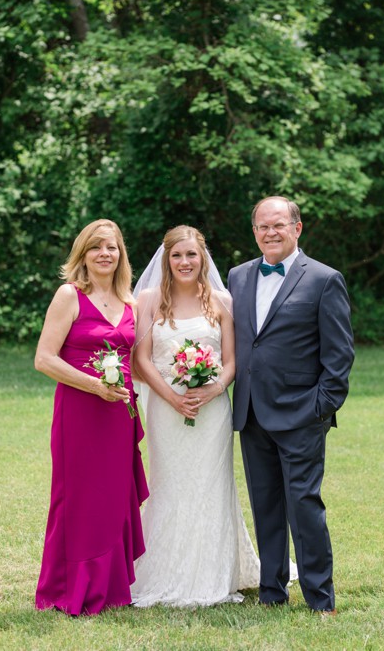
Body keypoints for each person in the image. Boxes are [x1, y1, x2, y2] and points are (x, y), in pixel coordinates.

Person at [227, 196, 354, 615]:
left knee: (304, 506)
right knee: (266, 506)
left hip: (302, 413)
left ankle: (321, 598)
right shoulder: (239, 276)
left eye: (278, 225)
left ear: (297, 228)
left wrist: (320, 407)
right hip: (250, 412)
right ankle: (272, 591)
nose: (270, 233)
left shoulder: (323, 279)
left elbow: (339, 356)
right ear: (254, 232)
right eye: (262, 226)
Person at [129, 225, 260, 607]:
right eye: (177, 255)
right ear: (166, 260)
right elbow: (141, 357)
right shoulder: (151, 299)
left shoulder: (221, 301)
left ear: (203, 258)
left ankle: (213, 575)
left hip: (212, 411)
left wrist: (213, 388)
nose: (184, 262)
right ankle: (163, 573)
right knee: (170, 484)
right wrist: (171, 396)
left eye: (191, 255)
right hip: (166, 410)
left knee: (210, 486)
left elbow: (233, 361)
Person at [33, 219, 149, 615]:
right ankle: (66, 588)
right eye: (96, 247)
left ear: (121, 255)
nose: (105, 253)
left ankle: (113, 587)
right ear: (82, 253)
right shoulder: (69, 295)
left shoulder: (130, 302)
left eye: (112, 247)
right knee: (78, 499)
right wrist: (94, 385)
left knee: (114, 498)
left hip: (119, 415)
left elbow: (139, 361)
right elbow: (44, 359)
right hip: (80, 412)